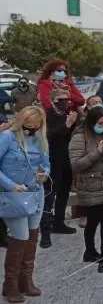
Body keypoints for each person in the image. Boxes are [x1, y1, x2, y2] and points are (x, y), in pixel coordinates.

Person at [0, 106, 50, 303]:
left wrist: (44, 174)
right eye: (28, 126)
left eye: (35, 126)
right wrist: (11, 185)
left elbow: (47, 163)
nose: (31, 130)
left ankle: (26, 280)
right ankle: (10, 284)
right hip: (14, 196)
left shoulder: (41, 137)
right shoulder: (7, 137)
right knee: (19, 238)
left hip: (36, 192)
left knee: (32, 237)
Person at [68, 107, 103, 273]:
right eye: (100, 123)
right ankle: (90, 251)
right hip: (91, 186)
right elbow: (76, 165)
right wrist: (97, 152)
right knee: (92, 222)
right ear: (92, 122)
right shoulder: (79, 137)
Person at [39, 89, 78, 249]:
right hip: (51, 161)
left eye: (67, 99)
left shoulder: (68, 114)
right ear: (53, 99)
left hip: (66, 161)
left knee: (63, 194)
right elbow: (45, 135)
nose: (65, 102)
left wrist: (72, 124)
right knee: (49, 196)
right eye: (61, 99)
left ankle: (59, 223)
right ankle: (45, 233)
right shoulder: (45, 115)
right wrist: (65, 125)